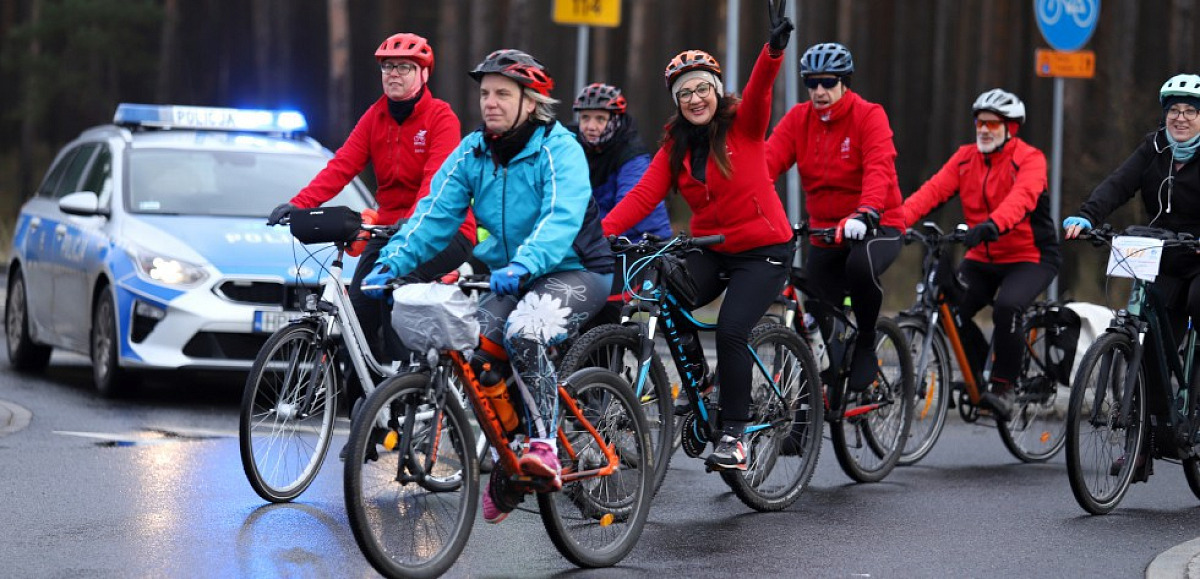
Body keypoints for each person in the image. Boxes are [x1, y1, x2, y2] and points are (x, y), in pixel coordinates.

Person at [362, 49, 614, 524]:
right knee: (474, 351)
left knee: (525, 332)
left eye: (502, 93)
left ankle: (544, 445)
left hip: (575, 269)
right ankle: (512, 462)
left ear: (531, 101)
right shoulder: (474, 151)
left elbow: (559, 220)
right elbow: (435, 214)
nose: (490, 103)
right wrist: (393, 262)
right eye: (484, 93)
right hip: (511, 273)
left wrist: (524, 264)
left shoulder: (560, 149)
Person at [602, 6, 794, 472]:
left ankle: (735, 431)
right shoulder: (676, 145)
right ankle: (703, 386)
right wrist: (600, 234)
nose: (694, 98)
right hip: (714, 247)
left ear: (716, 90)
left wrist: (772, 51)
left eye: (701, 88)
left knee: (731, 328)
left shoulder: (743, 125)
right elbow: (644, 194)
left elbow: (760, 90)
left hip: (764, 251)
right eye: (684, 92)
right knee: (662, 294)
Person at [265, 33, 476, 405]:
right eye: (388, 67)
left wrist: (412, 222)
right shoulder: (375, 115)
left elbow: (435, 182)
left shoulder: (440, 117)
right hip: (389, 228)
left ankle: (411, 383)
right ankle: (370, 413)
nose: (394, 74)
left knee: (398, 286)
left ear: (424, 75)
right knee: (359, 309)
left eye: (405, 68)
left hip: (442, 228)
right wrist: (299, 204)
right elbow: (342, 165)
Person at [902, 88, 1060, 421]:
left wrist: (992, 225)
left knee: (1007, 307)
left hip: (1030, 257)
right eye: (980, 123)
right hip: (984, 257)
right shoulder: (965, 159)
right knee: (947, 304)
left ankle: (1005, 385)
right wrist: (896, 222)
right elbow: (930, 192)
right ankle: (979, 371)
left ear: (1010, 128)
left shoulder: (1029, 159)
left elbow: (1022, 199)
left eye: (993, 124)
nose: (984, 130)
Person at [764, 42, 904, 394]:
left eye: (828, 82)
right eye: (812, 83)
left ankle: (868, 342)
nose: (819, 91)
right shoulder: (799, 119)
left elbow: (879, 168)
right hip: (825, 232)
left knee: (860, 267)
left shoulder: (869, 116)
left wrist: (866, 210)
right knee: (816, 315)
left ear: (845, 83)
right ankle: (815, 403)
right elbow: (766, 163)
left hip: (877, 225)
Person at [1064, 73, 1200, 358]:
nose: (1181, 118)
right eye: (1174, 110)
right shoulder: (1153, 148)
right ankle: (1148, 401)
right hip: (1164, 255)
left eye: (1190, 111)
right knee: (1153, 346)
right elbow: (1119, 183)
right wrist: (1088, 216)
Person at [571, 82, 671, 325]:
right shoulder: (572, 145)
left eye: (599, 118)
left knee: (604, 302)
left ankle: (604, 358)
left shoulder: (631, 153)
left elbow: (627, 207)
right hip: (602, 240)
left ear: (615, 120)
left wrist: (589, 238)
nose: (591, 126)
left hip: (640, 242)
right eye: (585, 118)